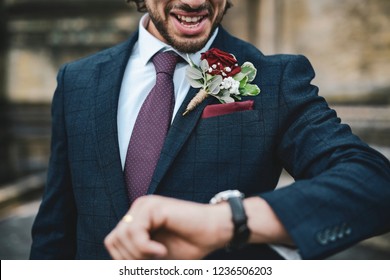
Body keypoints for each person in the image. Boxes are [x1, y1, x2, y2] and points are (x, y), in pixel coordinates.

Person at [30, 0, 390, 260]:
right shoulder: (77, 80)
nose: (194, 2)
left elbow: (374, 184)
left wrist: (226, 221)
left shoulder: (275, 79)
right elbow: (55, 228)